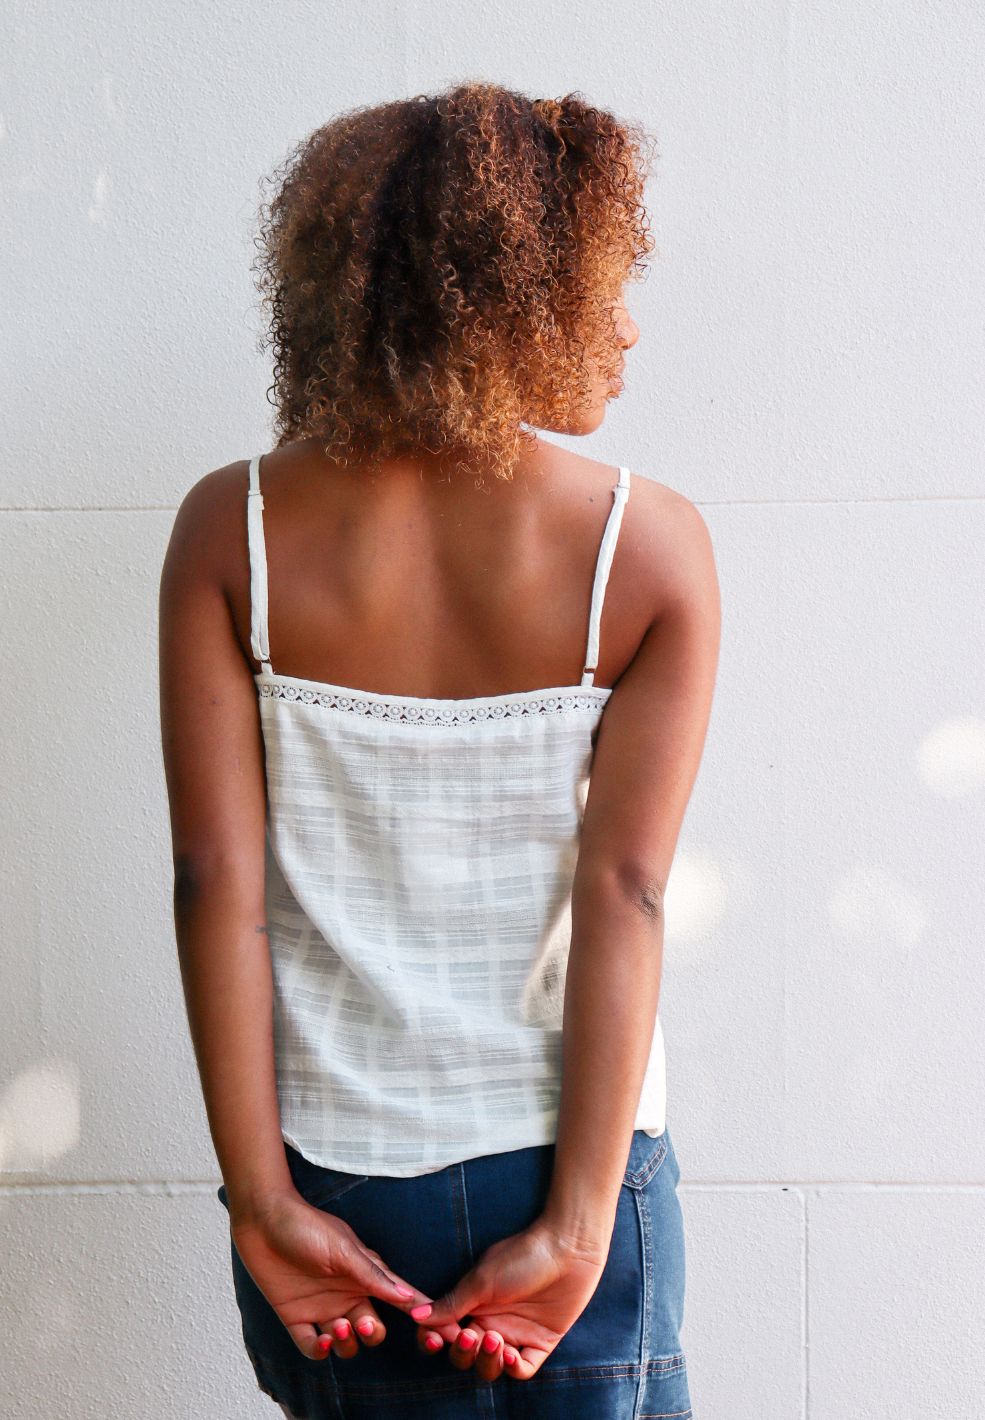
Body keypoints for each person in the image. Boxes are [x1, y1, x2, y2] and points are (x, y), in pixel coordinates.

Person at [159, 80, 719, 1420]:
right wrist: (579, 1228)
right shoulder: (641, 547)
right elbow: (626, 895)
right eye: (604, 279)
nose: (627, 323)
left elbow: (212, 887)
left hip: (331, 1187)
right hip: (566, 1171)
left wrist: (258, 1202)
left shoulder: (228, 531)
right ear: (512, 291)